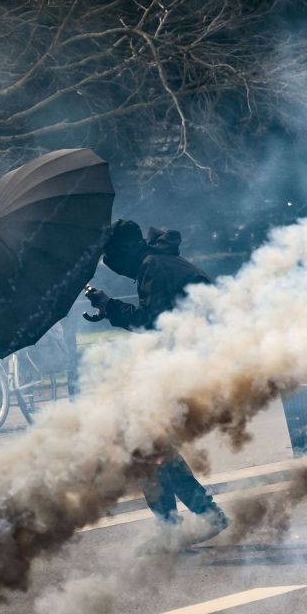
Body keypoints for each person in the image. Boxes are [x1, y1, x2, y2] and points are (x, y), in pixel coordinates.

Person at [84, 219, 230, 545]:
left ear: (126, 249)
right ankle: (177, 525)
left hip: (198, 361)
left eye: (112, 254)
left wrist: (109, 304)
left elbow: (151, 323)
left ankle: (195, 519)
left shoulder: (154, 266)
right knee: (147, 443)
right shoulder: (155, 262)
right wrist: (108, 309)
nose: (110, 262)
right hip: (193, 358)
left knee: (147, 442)